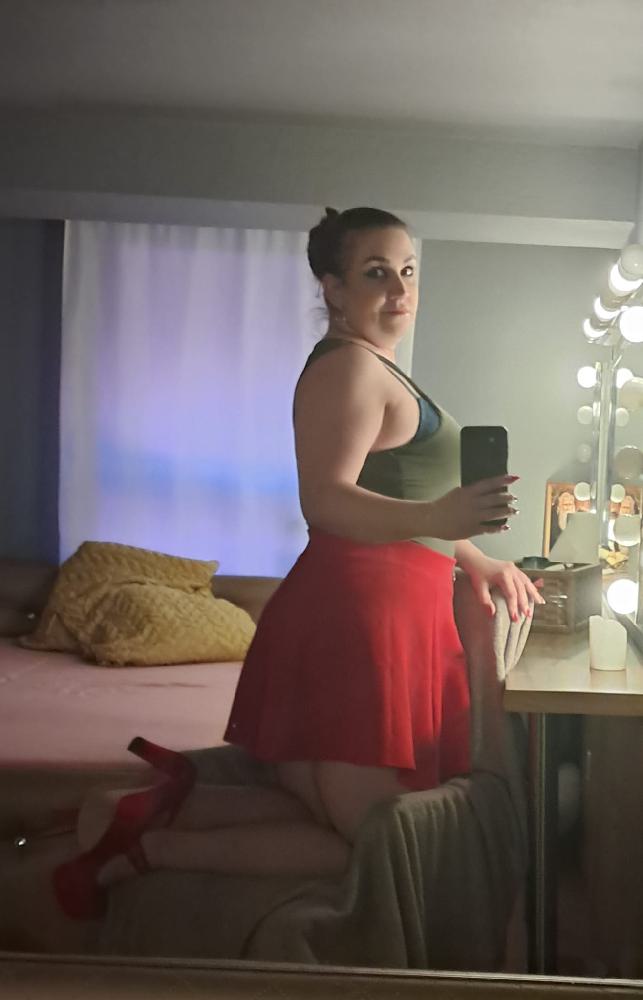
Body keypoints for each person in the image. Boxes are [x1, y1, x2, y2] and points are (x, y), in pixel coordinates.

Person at [52, 206, 544, 920]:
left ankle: (159, 807)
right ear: (333, 289)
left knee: (329, 808)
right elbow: (327, 501)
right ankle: (149, 848)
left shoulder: (376, 366)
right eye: (376, 273)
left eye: (408, 271)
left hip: (378, 612)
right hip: (359, 620)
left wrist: (475, 556)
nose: (400, 290)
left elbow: (406, 496)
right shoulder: (348, 367)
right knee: (370, 836)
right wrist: (442, 522)